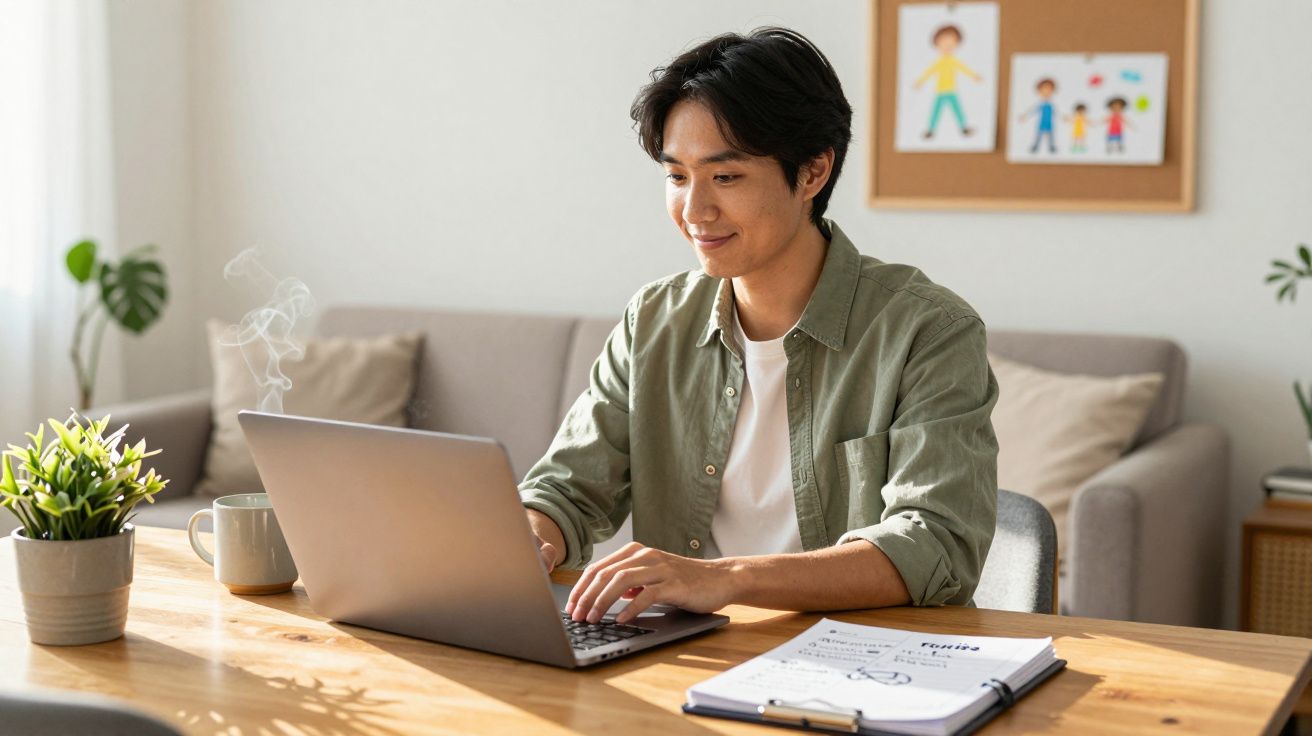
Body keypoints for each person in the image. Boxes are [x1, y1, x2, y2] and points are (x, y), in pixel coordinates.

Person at [518, 27, 999, 627]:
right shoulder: (655, 320)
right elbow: (565, 489)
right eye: (676, 177)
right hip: (684, 653)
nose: (695, 211)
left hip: (865, 662)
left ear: (812, 173)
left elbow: (936, 546)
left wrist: (724, 579)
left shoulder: (928, 330)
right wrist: (525, 541)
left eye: (726, 177)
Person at [913, 24, 983, 139]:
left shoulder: (954, 61)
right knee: (936, 111)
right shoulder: (938, 62)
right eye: (944, 42)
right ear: (936, 43)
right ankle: (930, 130)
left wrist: (974, 76)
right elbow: (929, 72)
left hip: (951, 90)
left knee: (957, 110)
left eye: (951, 43)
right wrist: (920, 82)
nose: (947, 45)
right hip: (940, 91)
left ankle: (964, 128)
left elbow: (964, 69)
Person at [1019, 78, 1058, 154]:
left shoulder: (1052, 104)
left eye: (1049, 89)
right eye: (1044, 89)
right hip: (1041, 122)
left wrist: (1064, 118)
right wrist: (1025, 116)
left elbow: (1057, 113)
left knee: (1050, 136)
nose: (1047, 91)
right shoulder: (1040, 103)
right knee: (1038, 135)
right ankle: (1035, 146)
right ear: (1039, 91)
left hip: (1049, 123)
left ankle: (1051, 147)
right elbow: (1032, 111)